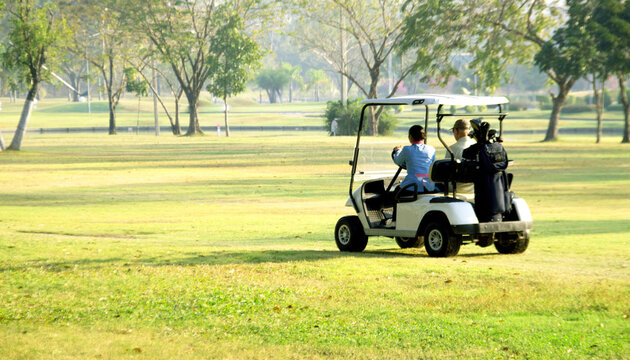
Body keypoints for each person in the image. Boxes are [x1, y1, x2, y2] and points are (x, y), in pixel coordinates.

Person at [392, 125, 437, 195]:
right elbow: (432, 165)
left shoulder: (406, 149)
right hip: (429, 186)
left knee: (396, 192)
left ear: (410, 136)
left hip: (412, 186)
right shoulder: (431, 149)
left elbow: (397, 160)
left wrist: (397, 150)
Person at [445, 119, 476, 195]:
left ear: (456, 131)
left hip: (457, 188)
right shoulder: (477, 146)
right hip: (474, 187)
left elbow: (446, 172)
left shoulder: (451, 149)